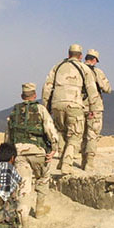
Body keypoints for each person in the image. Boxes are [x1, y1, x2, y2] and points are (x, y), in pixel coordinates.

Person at [5, 82, 59, 228]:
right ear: (35, 95)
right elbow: (50, 130)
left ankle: (24, 224)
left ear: (22, 96)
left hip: (19, 154)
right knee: (43, 178)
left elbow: (8, 136)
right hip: (38, 152)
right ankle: (40, 209)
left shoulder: (14, 111)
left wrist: (9, 155)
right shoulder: (40, 109)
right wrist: (54, 149)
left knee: (24, 187)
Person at [42, 44, 98, 174]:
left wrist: (46, 107)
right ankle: (67, 165)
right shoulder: (84, 68)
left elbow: (47, 87)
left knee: (61, 132)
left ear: (68, 54)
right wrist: (92, 109)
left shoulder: (57, 67)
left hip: (57, 104)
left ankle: (61, 159)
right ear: (80, 56)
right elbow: (92, 90)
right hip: (74, 104)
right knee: (75, 135)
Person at [82, 49, 112, 171]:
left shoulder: (78, 69)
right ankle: (88, 164)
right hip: (94, 107)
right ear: (94, 60)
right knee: (92, 135)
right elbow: (107, 88)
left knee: (79, 135)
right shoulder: (96, 72)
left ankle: (78, 161)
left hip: (78, 106)